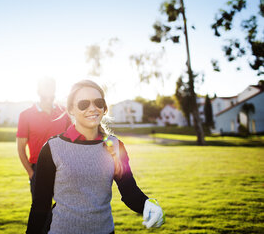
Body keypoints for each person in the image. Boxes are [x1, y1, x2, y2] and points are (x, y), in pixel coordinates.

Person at [26, 80, 165, 234]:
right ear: (71, 109)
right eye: (83, 104)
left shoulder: (116, 146)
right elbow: (40, 205)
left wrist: (148, 204)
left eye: (98, 102)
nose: (92, 109)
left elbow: (129, 191)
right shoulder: (52, 148)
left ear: (104, 107)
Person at [17, 77, 71, 197]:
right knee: (42, 213)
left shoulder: (64, 112)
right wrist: (31, 173)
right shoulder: (25, 115)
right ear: (38, 91)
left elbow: (72, 141)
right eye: (45, 87)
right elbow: (21, 148)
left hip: (63, 169)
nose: (49, 90)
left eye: (51, 87)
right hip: (38, 169)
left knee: (65, 212)